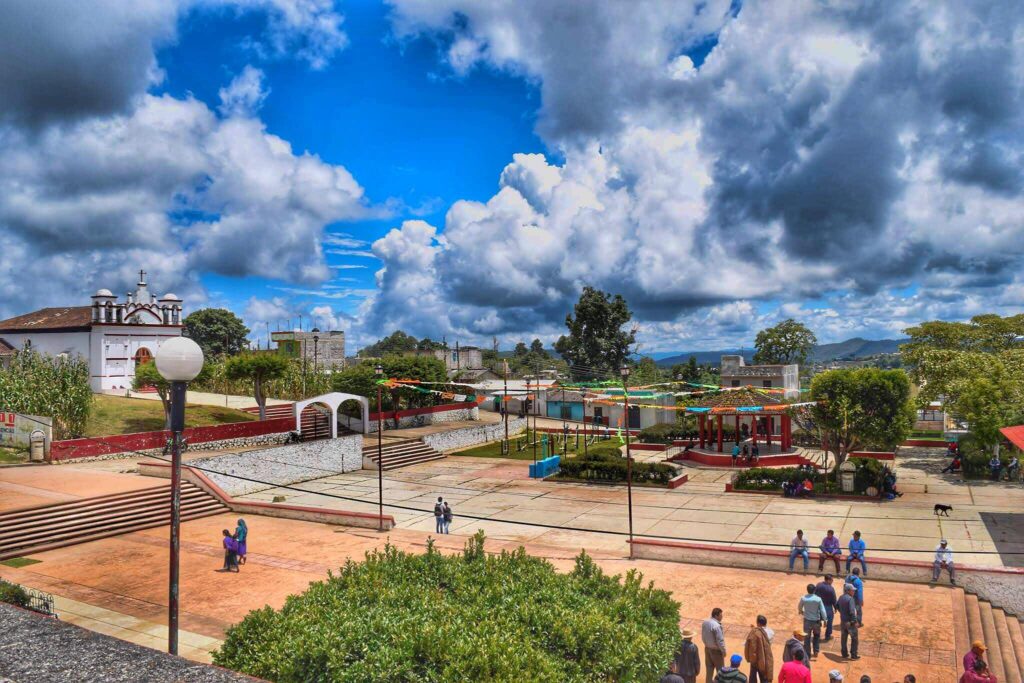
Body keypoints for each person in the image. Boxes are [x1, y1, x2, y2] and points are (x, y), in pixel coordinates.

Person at [798, 583, 827, 658]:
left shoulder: (803, 598)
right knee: (816, 636)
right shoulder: (818, 599)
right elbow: (822, 610)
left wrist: (801, 612)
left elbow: (799, 607)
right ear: (814, 590)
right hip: (816, 621)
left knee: (807, 638)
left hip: (807, 620)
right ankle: (816, 651)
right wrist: (825, 619)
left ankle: (808, 653)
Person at [744, 616, 773, 683]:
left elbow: (753, 647)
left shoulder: (755, 632)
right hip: (766, 657)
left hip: (756, 659)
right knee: (764, 676)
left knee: (753, 677)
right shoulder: (771, 632)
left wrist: (752, 659)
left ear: (758, 623)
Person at [703, 608, 727, 683]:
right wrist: (723, 651)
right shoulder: (716, 626)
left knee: (709, 670)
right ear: (716, 616)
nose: (722, 617)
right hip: (716, 651)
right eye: (721, 615)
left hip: (707, 649)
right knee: (720, 672)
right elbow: (720, 641)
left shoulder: (705, 622)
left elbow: (703, 636)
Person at [837, 583, 859, 659]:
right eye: (853, 590)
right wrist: (855, 621)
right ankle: (854, 655)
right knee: (854, 638)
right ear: (848, 591)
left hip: (843, 621)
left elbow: (837, 606)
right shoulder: (850, 599)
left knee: (843, 638)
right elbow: (852, 611)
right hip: (850, 622)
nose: (854, 592)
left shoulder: (841, 597)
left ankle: (844, 654)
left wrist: (843, 613)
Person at [814, 575, 839, 641]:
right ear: (828, 580)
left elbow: (814, 594)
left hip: (818, 607)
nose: (832, 582)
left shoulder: (818, 585)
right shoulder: (831, 589)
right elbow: (834, 599)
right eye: (831, 580)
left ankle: (817, 635)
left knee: (818, 621)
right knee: (829, 622)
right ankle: (827, 636)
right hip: (827, 607)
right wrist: (836, 607)